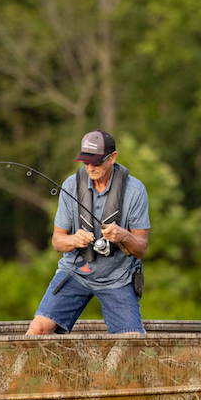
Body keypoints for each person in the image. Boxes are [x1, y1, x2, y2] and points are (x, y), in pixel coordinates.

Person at [26, 130, 150, 335]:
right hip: (75, 272)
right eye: (86, 162)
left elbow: (142, 249)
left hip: (117, 278)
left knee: (132, 341)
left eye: (97, 163)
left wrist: (124, 236)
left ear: (113, 157)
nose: (91, 168)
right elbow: (57, 241)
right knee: (38, 330)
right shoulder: (70, 185)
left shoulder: (135, 190)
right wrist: (73, 240)